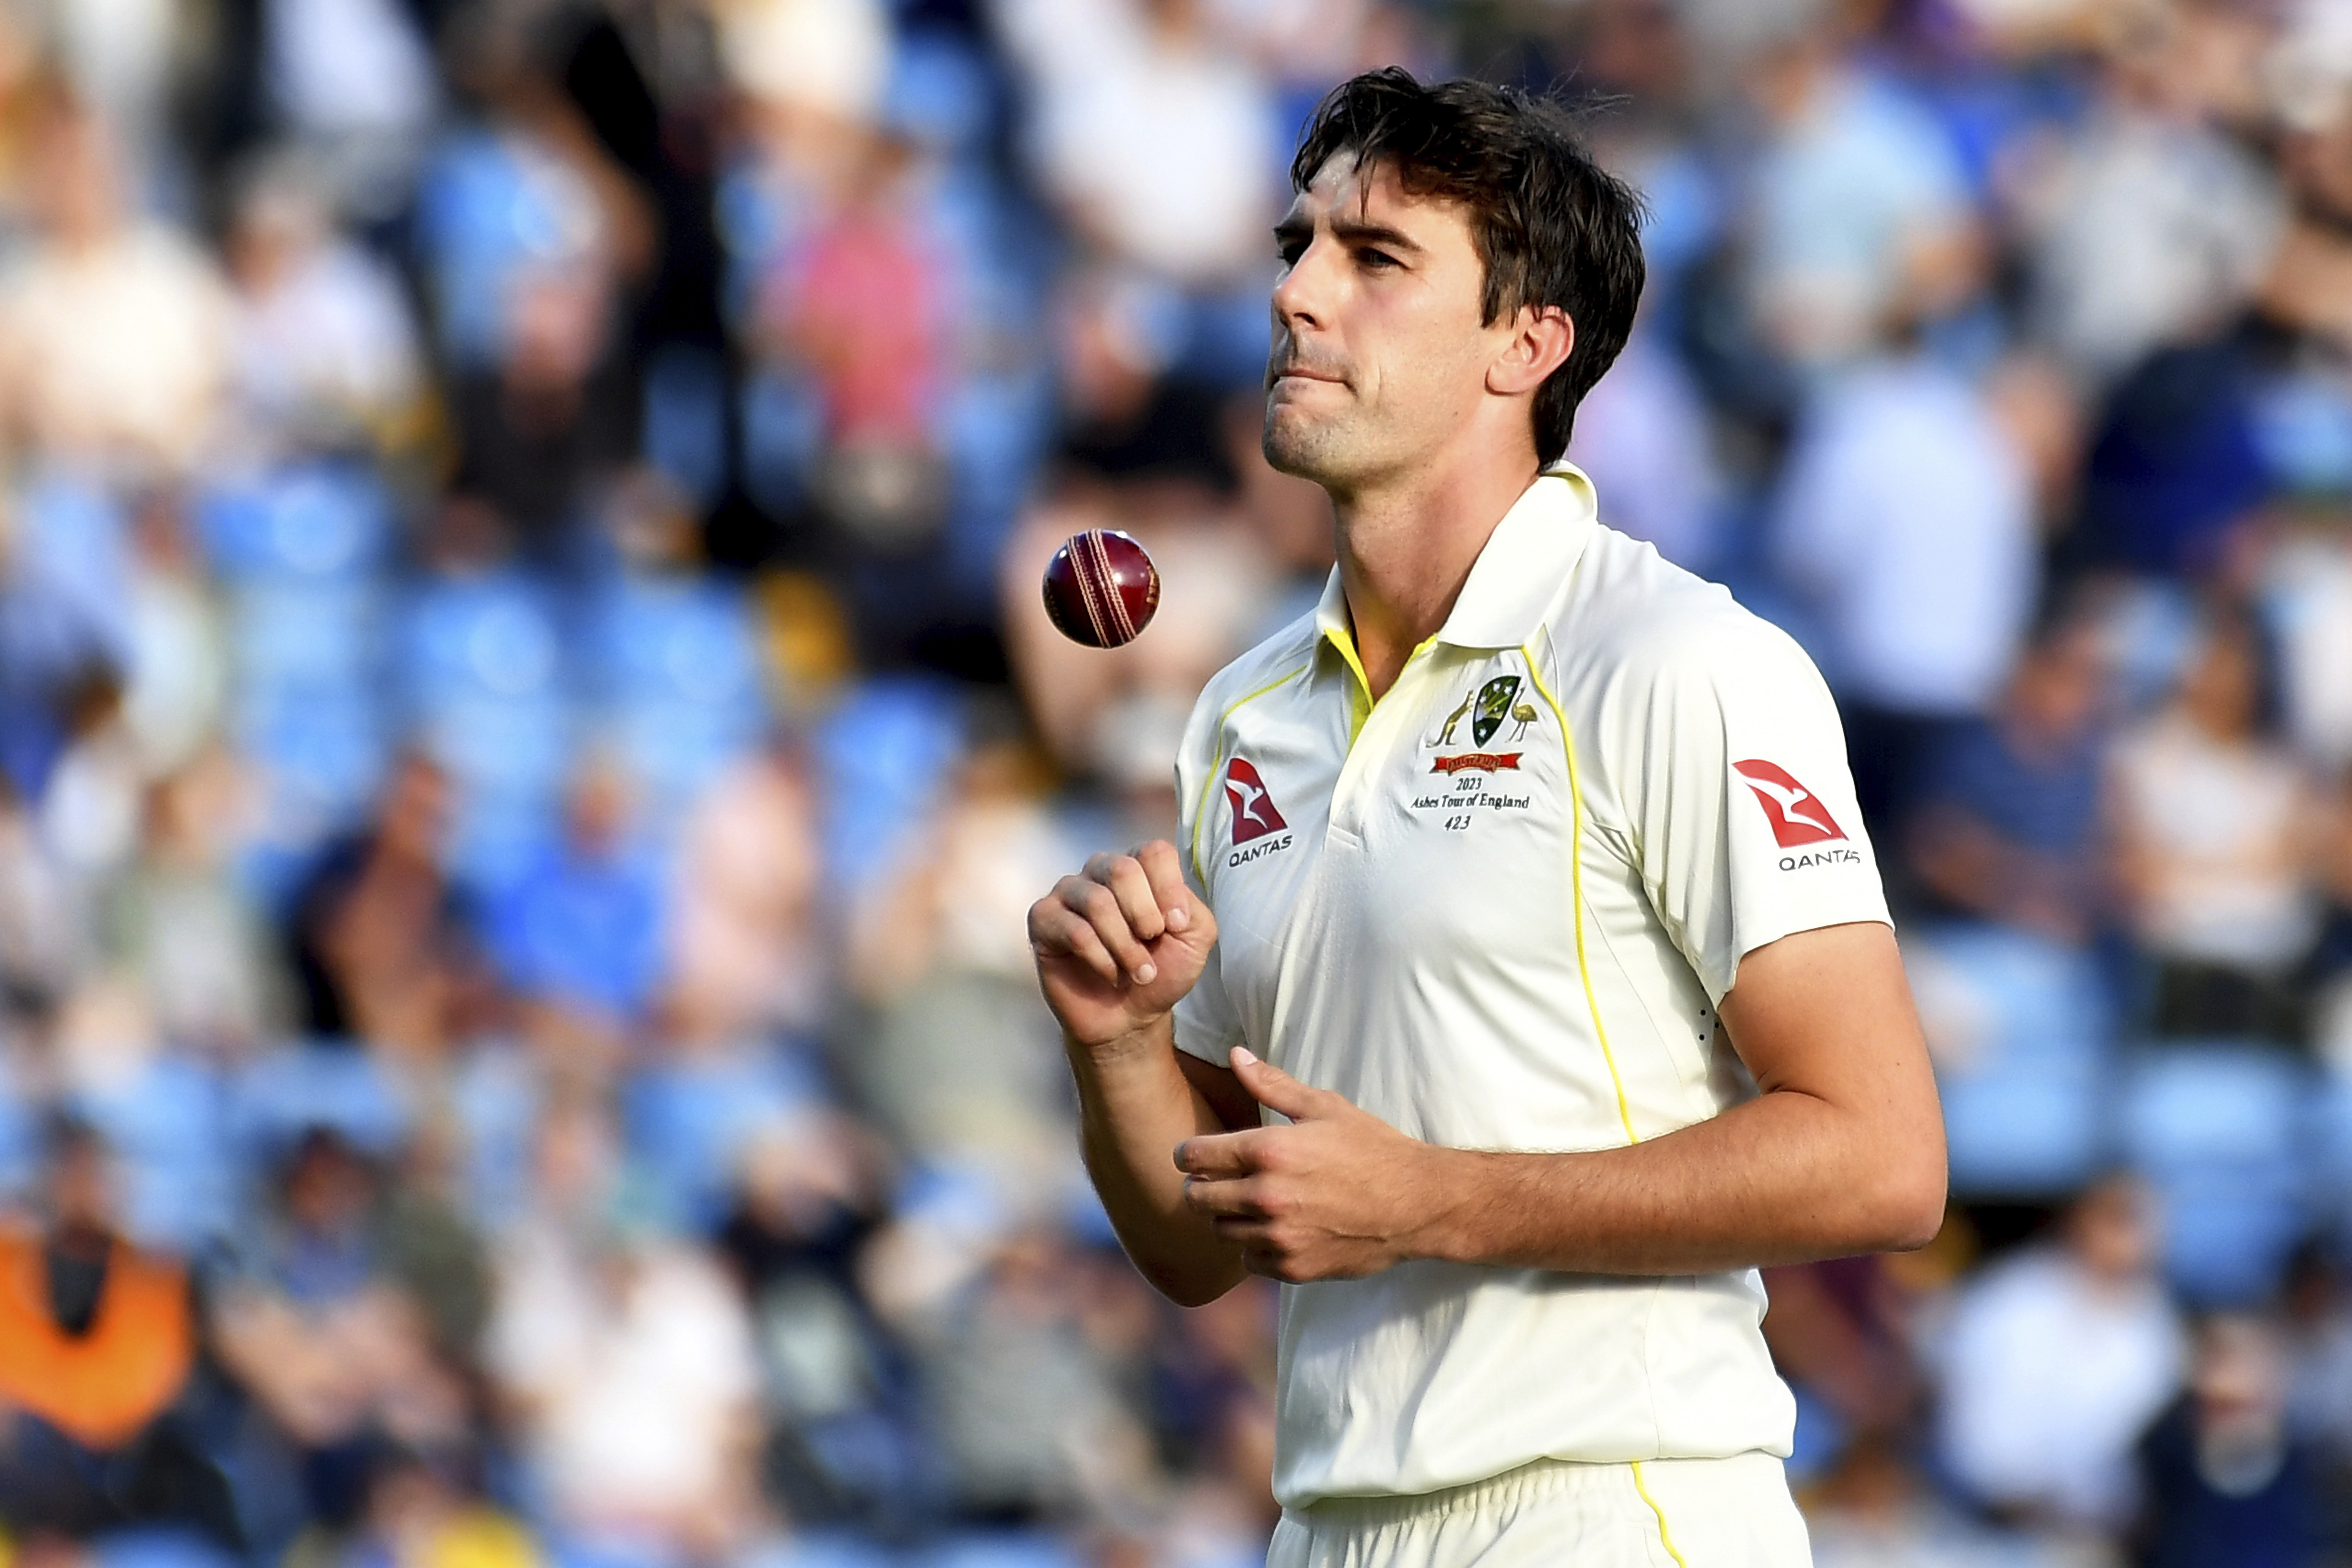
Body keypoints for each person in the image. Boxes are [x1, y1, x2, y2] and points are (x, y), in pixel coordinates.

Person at [1026, 69, 1946, 1567]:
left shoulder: (1681, 662)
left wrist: (1432, 1202)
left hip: (1619, 1507)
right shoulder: (1242, 716)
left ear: (1529, 343)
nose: (1296, 296)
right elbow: (1197, 1251)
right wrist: (1118, 1043)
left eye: (1375, 259)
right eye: (1296, 247)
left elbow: (1885, 1161)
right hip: (1326, 1524)